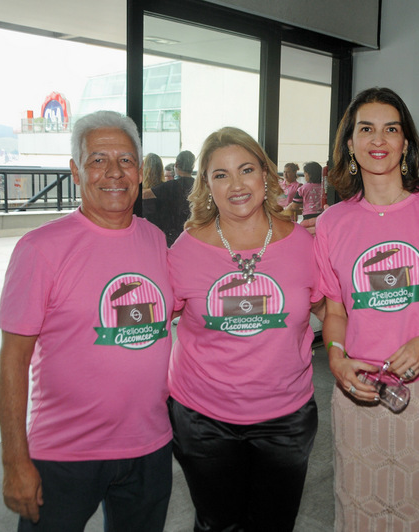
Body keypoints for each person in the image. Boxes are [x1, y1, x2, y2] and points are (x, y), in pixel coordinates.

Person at [0, 110, 174, 531]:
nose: (113, 172)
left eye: (126, 160)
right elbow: (11, 361)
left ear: (140, 169)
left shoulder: (156, 240)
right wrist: (14, 460)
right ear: (76, 170)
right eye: (98, 160)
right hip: (64, 455)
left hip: (150, 448)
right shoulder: (40, 248)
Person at [314, 87, 419, 530]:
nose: (378, 139)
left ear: (406, 143)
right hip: (358, 390)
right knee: (357, 509)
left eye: (391, 128)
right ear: (349, 143)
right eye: (365, 128)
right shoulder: (332, 222)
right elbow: (335, 311)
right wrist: (335, 357)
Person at [167, 127, 323, 532]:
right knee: (217, 524)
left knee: (274, 524)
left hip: (285, 418)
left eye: (246, 169)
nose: (236, 185)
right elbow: (148, 324)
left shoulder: (304, 244)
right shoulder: (183, 251)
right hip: (202, 419)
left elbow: (333, 308)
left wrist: (345, 351)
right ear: (206, 185)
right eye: (220, 175)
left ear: (266, 176)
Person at [144, 150, 196, 246]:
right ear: (192, 167)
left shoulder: (169, 186)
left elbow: (145, 194)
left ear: (176, 165)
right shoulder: (198, 186)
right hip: (193, 236)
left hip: (171, 239)